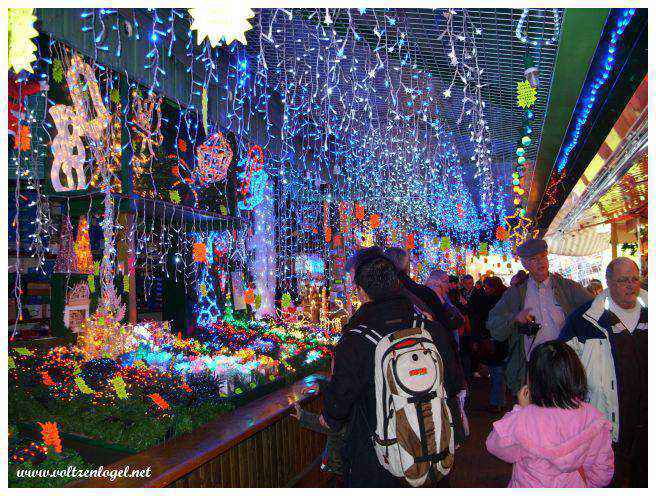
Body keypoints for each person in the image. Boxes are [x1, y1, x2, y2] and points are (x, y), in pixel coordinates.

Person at [320, 247, 465, 487]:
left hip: (378, 451)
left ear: (361, 292)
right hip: (431, 443)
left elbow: (342, 394)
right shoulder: (430, 328)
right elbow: (453, 381)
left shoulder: (356, 338)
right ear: (397, 283)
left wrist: (330, 417)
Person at [559, 257, 647, 487]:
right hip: (608, 421)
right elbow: (561, 364)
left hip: (647, 421)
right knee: (610, 479)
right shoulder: (585, 320)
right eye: (622, 280)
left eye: (634, 279)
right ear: (608, 281)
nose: (630, 285)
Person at [485, 340, 614, 487]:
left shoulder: (523, 418)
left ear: (533, 379)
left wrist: (520, 410)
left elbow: (494, 445)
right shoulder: (593, 418)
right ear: (576, 374)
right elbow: (602, 474)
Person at [486, 238, 592, 395]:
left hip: (563, 365)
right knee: (535, 412)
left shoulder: (567, 287)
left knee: (563, 412)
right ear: (525, 265)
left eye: (543, 256)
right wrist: (515, 318)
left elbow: (593, 310)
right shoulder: (516, 293)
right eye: (533, 259)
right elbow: (493, 323)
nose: (540, 262)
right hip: (533, 366)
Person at [384, 247, 464, 332]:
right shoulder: (421, 292)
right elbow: (452, 322)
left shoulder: (387, 288)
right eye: (446, 282)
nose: (448, 287)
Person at [479, 276, 509, 413]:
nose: (486, 290)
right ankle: (498, 400)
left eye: (487, 287)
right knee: (498, 372)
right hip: (500, 340)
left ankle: (497, 402)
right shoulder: (504, 298)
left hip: (497, 339)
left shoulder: (495, 301)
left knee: (497, 372)